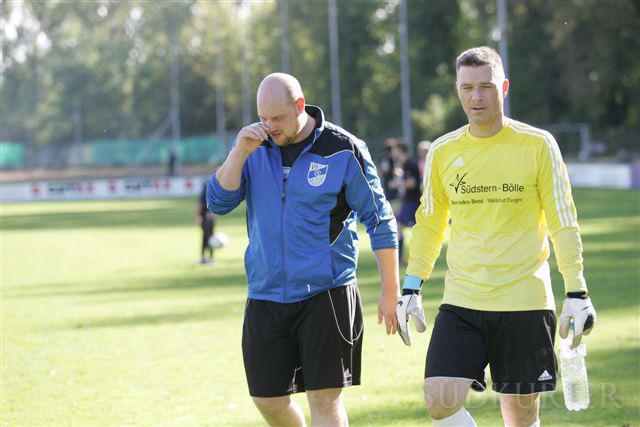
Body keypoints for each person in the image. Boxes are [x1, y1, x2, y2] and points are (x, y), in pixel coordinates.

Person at [395, 46, 596, 427]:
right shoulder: (442, 151)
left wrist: (577, 292)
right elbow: (430, 224)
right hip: (463, 299)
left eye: (486, 86)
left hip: (524, 300)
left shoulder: (538, 144)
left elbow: (562, 221)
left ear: (503, 87)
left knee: (519, 417)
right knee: (439, 400)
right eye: (467, 87)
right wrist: (411, 286)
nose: (477, 96)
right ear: (458, 90)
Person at [207, 73, 399, 426]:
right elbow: (217, 203)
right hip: (265, 293)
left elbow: (380, 220)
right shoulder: (253, 147)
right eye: (262, 117)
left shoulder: (343, 149)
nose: (269, 126)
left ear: (300, 106)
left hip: (327, 294)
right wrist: (238, 153)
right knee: (267, 400)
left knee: (323, 401)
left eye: (277, 118)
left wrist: (391, 291)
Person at [394, 140, 422, 265]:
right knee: (399, 227)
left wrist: (397, 184)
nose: (393, 152)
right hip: (408, 201)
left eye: (395, 149)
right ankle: (401, 258)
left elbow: (412, 183)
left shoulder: (409, 163)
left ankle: (417, 257)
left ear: (400, 150)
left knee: (408, 228)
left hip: (413, 202)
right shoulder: (405, 164)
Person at [195, 182, 215, 264]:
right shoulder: (208, 191)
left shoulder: (205, 191)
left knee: (207, 237)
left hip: (207, 218)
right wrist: (198, 215)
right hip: (207, 218)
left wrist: (197, 215)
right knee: (209, 237)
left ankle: (206, 257)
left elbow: (200, 204)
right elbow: (200, 204)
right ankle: (209, 257)